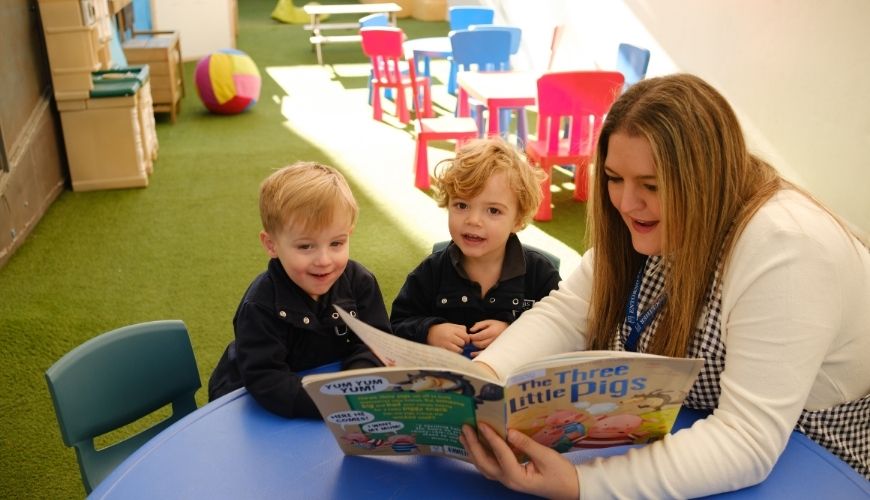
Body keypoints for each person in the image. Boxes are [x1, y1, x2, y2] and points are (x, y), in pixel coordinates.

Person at [458, 74, 870, 497]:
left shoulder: (787, 248)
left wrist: (583, 483)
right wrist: (479, 379)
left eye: (651, 186)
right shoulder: (661, 220)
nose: (626, 203)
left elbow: (746, 440)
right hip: (696, 432)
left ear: (705, 180)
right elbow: (570, 311)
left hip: (816, 459)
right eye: (614, 178)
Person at [208, 162, 388, 418]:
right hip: (251, 403)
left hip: (333, 397)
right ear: (271, 245)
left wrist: (355, 382)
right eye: (305, 246)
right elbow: (266, 378)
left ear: (349, 234)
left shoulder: (360, 282)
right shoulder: (259, 305)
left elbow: (376, 343)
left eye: (336, 243)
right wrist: (331, 402)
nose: (324, 260)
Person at [390, 137, 561, 358]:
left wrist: (515, 335)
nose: (473, 220)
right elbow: (396, 325)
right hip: (446, 378)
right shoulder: (431, 272)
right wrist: (429, 331)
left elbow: (561, 332)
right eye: (461, 205)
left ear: (517, 220)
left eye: (493, 211)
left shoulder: (540, 274)